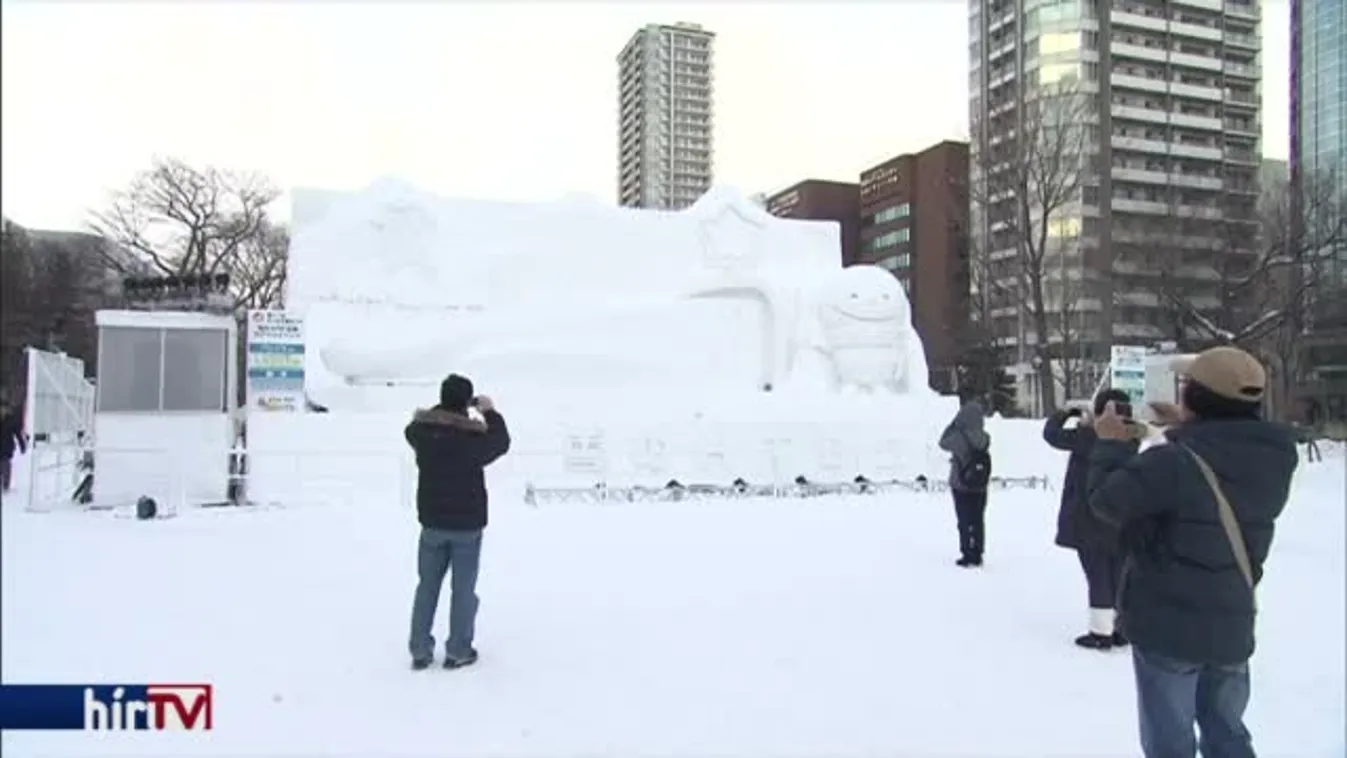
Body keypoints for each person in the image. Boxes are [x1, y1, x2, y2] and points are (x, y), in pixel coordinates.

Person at [1087, 346, 1298, 758]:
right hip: (1231, 621)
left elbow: (1106, 503)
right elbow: (1221, 460)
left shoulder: (1173, 463)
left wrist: (1111, 443)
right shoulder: (1277, 456)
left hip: (1168, 627)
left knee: (1170, 743)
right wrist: (1185, 429)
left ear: (1195, 399)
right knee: (1227, 733)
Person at [404, 373, 511, 671]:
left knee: (427, 586)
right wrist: (489, 411)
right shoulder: (473, 438)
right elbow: (501, 442)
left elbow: (412, 428)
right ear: (468, 402)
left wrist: (440, 410)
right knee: (463, 589)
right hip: (467, 525)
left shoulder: (422, 435)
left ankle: (420, 649)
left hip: (432, 523)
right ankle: (458, 649)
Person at [1043, 388, 1142, 651]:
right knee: (1118, 574)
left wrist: (1067, 412)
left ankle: (1101, 632)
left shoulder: (1087, 436)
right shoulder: (1132, 438)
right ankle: (1121, 629)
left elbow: (1051, 435)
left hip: (1088, 516)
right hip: (1120, 515)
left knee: (1097, 574)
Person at [938, 396, 992, 567]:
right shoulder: (985, 437)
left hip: (961, 484)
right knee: (978, 519)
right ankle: (978, 551)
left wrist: (955, 423)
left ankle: (967, 552)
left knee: (964, 519)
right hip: (980, 484)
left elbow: (943, 441)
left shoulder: (958, 437)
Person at [1, 396, 28, 493]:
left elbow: (17, 433)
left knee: (5, 465)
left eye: (4, 408)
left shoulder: (11, 420)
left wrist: (22, 445)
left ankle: (5, 486)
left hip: (7, 447)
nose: (3, 411)